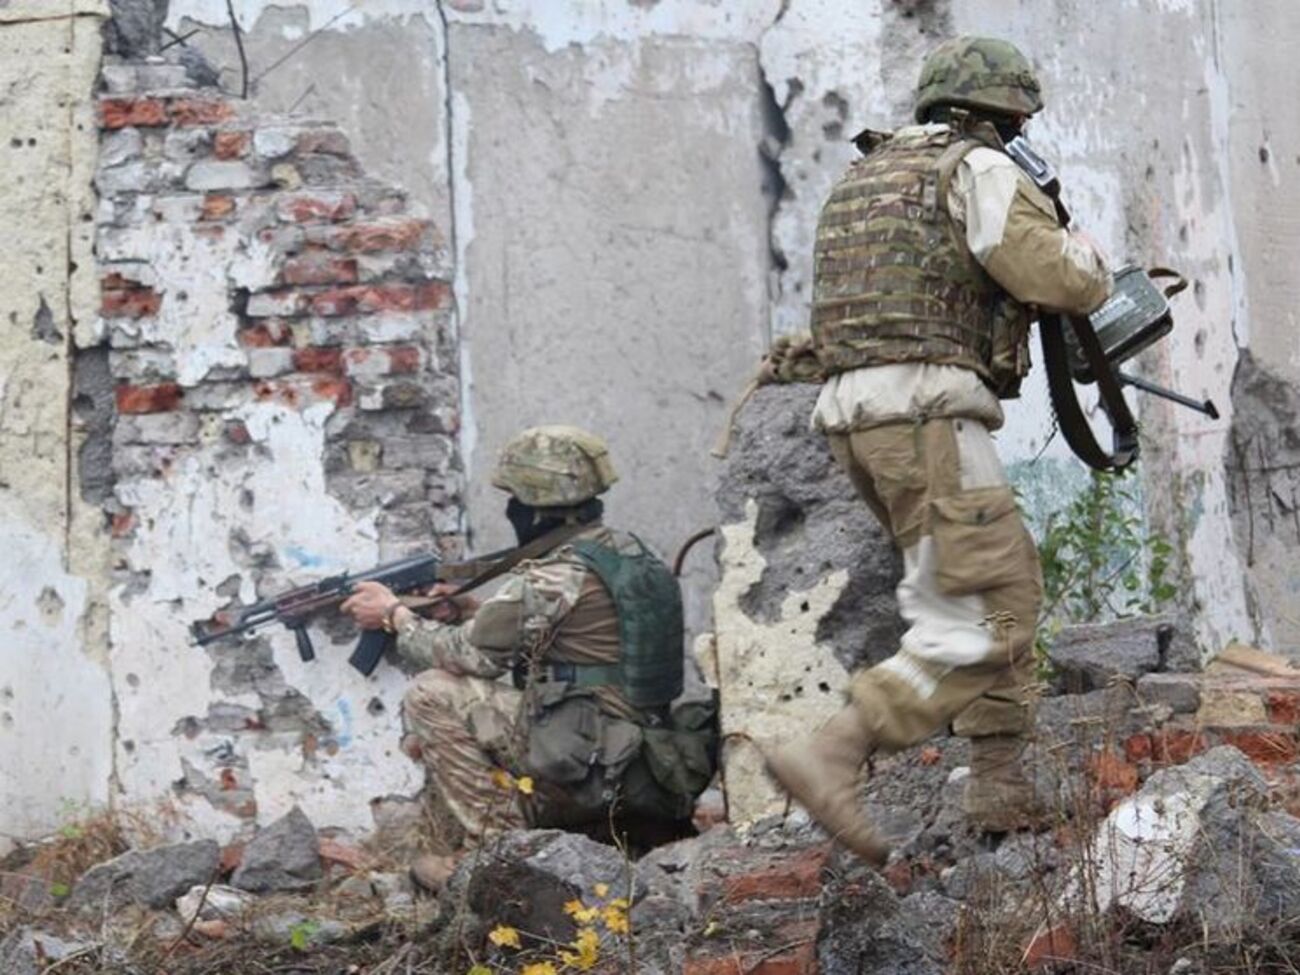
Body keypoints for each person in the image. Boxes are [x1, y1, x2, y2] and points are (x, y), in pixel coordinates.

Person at [764, 36, 1112, 865]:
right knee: (992, 609)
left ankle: (999, 782)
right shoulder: (980, 170)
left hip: (864, 422)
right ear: (1003, 112)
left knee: (986, 584)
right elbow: (1052, 276)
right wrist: (1088, 256)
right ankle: (839, 747)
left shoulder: (865, 179)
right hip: (926, 416)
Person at [342, 425, 714, 888]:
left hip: (594, 758)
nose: (511, 509)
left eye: (515, 499)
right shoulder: (627, 552)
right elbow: (577, 636)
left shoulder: (555, 575)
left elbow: (467, 655)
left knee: (432, 694)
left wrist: (394, 615)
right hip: (641, 751)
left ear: (535, 508)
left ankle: (503, 855)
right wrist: (468, 608)